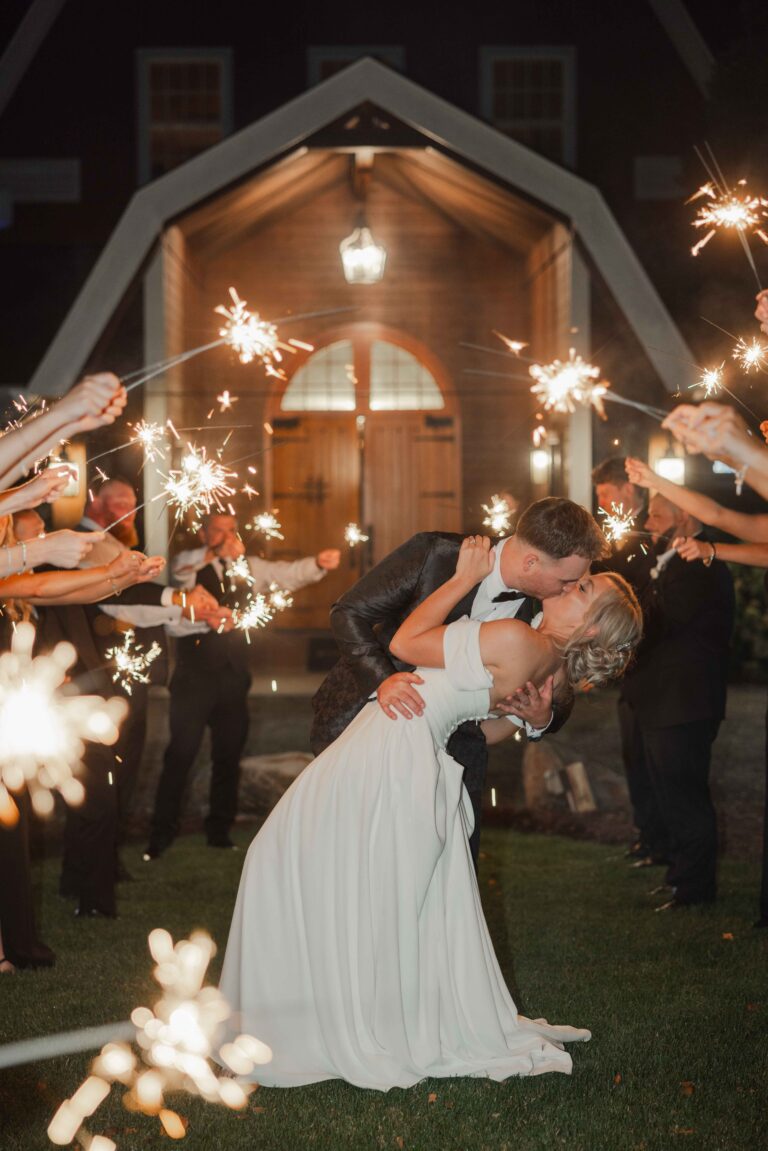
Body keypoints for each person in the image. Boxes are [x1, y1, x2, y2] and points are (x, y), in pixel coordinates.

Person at [219, 536, 642, 1089]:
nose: (570, 585)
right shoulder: (548, 662)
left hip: (396, 747)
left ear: (590, 630)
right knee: (339, 880)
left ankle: (313, 1024)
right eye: (576, 576)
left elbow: (406, 641)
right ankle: (325, 1015)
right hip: (402, 743)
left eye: (583, 588)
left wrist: (461, 582)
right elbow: (488, 725)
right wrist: (528, 722)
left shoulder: (520, 638)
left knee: (285, 861)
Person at [310, 497, 609, 864]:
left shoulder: (546, 608)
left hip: (460, 759)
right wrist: (382, 681)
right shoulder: (437, 554)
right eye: (567, 580)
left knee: (446, 871)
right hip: (362, 729)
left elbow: (558, 693)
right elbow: (348, 611)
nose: (570, 589)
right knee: (354, 857)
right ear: (531, 562)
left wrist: (541, 718)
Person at [145, 512, 341, 857]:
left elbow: (288, 574)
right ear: (204, 533)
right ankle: (161, 832)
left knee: (229, 754)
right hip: (194, 678)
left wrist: (317, 564)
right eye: (217, 531)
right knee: (181, 753)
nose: (225, 537)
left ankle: (219, 830)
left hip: (233, 676)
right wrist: (206, 617)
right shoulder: (184, 566)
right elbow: (173, 620)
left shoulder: (251, 566)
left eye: (231, 531)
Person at [621, 494, 734, 910]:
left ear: (685, 516)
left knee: (685, 795)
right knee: (668, 793)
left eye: (656, 514)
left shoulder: (700, 567)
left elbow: (661, 622)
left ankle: (695, 889)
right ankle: (680, 876)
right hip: (663, 701)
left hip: (684, 703)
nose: (647, 521)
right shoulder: (670, 558)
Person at [591, 458, 661, 866]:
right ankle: (646, 834)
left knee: (651, 758)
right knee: (633, 755)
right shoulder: (614, 537)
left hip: (649, 666)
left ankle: (658, 838)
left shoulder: (648, 537)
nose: (601, 502)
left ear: (627, 490)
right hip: (630, 673)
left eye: (605, 493)